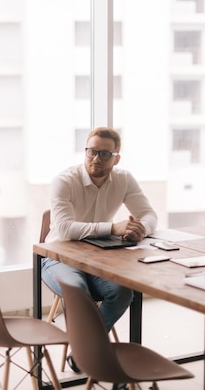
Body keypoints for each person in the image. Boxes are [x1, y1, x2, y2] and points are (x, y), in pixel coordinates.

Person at [41, 127, 157, 378]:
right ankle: (89, 352)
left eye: (105, 154)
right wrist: (113, 227)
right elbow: (64, 228)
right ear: (85, 151)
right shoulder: (64, 180)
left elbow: (149, 214)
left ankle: (82, 351)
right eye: (92, 151)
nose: (96, 158)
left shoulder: (124, 178)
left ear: (116, 158)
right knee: (78, 291)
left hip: (96, 258)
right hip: (58, 257)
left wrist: (141, 229)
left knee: (123, 291)